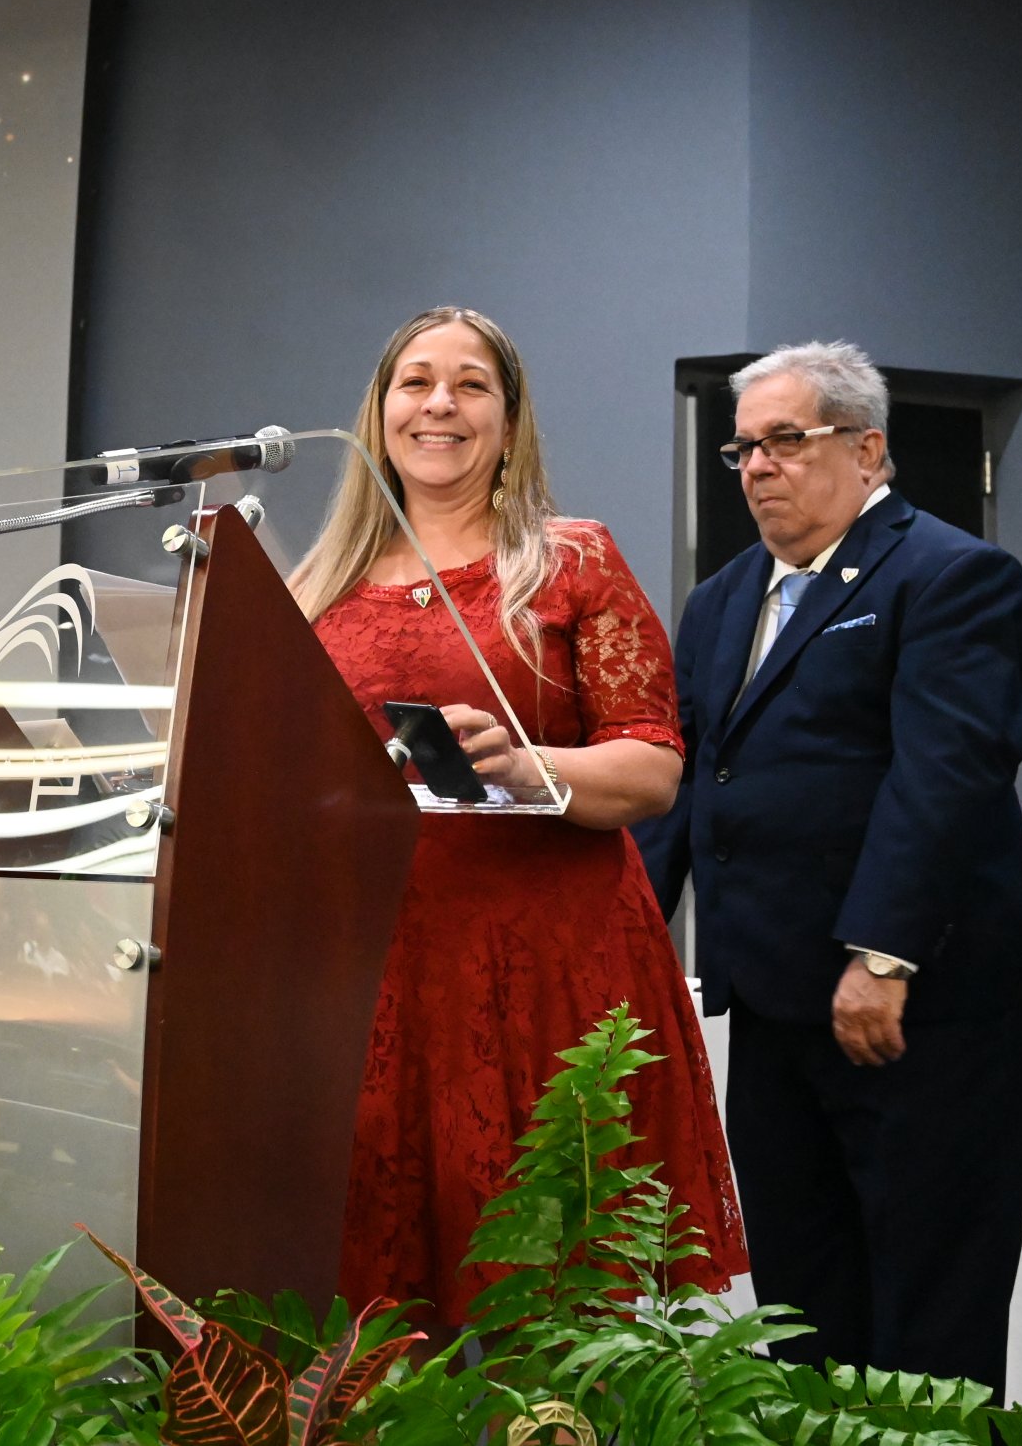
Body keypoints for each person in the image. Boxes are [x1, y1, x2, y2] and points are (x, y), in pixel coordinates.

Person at [297, 306, 747, 1325]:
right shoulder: (315, 587)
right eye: (415, 381)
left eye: (471, 384)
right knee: (373, 1324)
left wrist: (528, 764)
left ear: (509, 421)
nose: (439, 404)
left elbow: (653, 768)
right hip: (372, 980)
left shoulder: (569, 560)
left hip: (545, 975)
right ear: (378, 412)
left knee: (549, 1319)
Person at [635, 342, 1022, 1393]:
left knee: (929, 1313)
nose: (757, 466)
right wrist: (630, 941)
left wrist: (881, 953)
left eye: (786, 440)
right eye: (743, 447)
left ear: (867, 450)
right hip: (772, 1003)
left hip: (915, 1003)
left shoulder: (951, 575)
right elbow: (686, 781)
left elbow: (944, 779)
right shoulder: (721, 599)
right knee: (799, 1304)